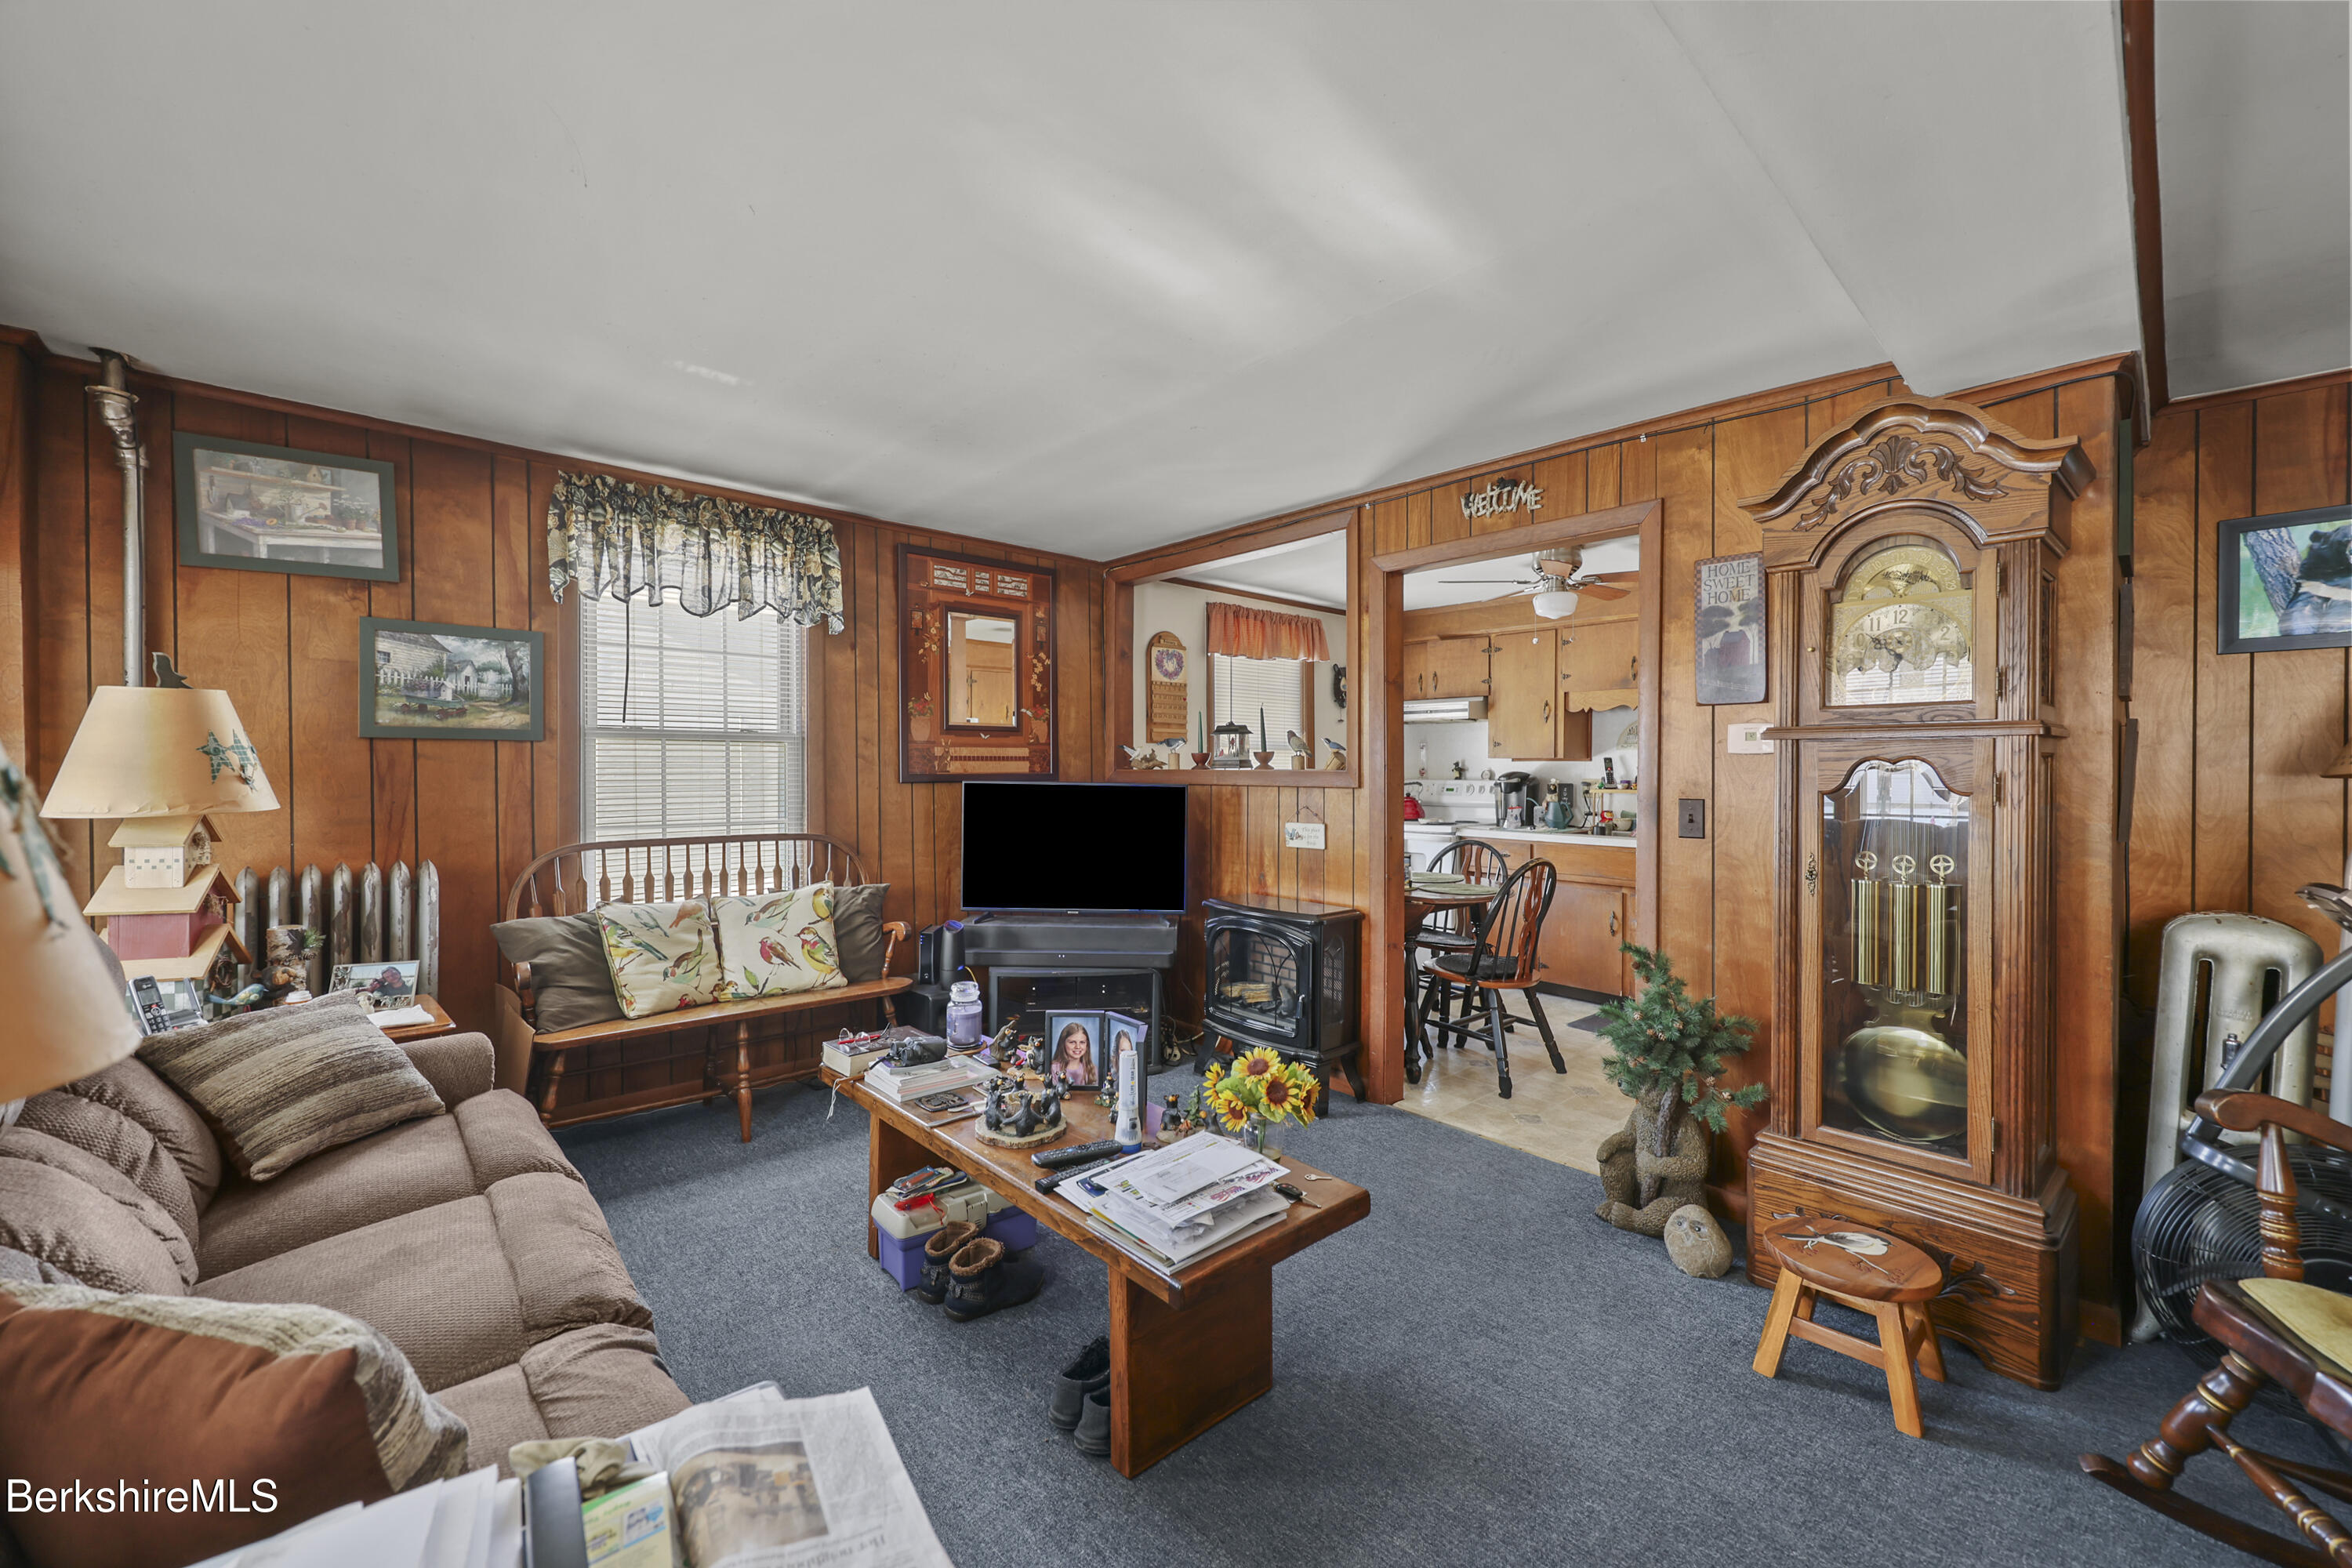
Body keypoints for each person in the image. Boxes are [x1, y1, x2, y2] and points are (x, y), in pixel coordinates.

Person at [1054, 1021, 1094, 1087]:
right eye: (1072, 1042)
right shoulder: (1054, 1068)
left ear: (1087, 1045)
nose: (1078, 1047)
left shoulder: (1092, 1069)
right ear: (1063, 1043)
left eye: (1082, 1042)